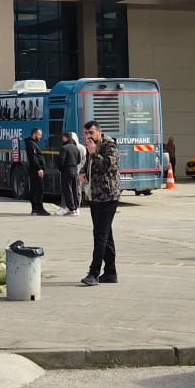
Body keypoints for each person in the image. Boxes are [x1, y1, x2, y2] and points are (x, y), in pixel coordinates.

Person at [80, 120, 121, 286]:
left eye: (91, 133)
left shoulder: (109, 146)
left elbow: (106, 166)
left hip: (108, 196)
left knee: (100, 235)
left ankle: (94, 273)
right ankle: (110, 272)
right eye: (85, 133)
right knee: (105, 235)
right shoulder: (92, 148)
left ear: (99, 132)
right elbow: (88, 165)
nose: (88, 136)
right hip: (95, 196)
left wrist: (93, 152)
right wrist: (82, 173)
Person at [59, 131, 85, 215]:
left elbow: (61, 161)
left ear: (65, 138)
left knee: (67, 190)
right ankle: (76, 207)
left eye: (63, 137)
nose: (62, 139)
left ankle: (71, 209)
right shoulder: (76, 148)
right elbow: (79, 160)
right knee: (75, 189)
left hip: (67, 171)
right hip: (75, 170)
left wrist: (61, 169)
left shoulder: (64, 148)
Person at [25, 127, 50, 215]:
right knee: (38, 189)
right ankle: (38, 208)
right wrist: (39, 168)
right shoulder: (31, 144)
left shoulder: (33, 144)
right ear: (34, 134)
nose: (40, 137)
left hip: (36, 170)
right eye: (39, 135)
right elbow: (33, 158)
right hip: (35, 170)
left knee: (37, 189)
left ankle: (36, 209)